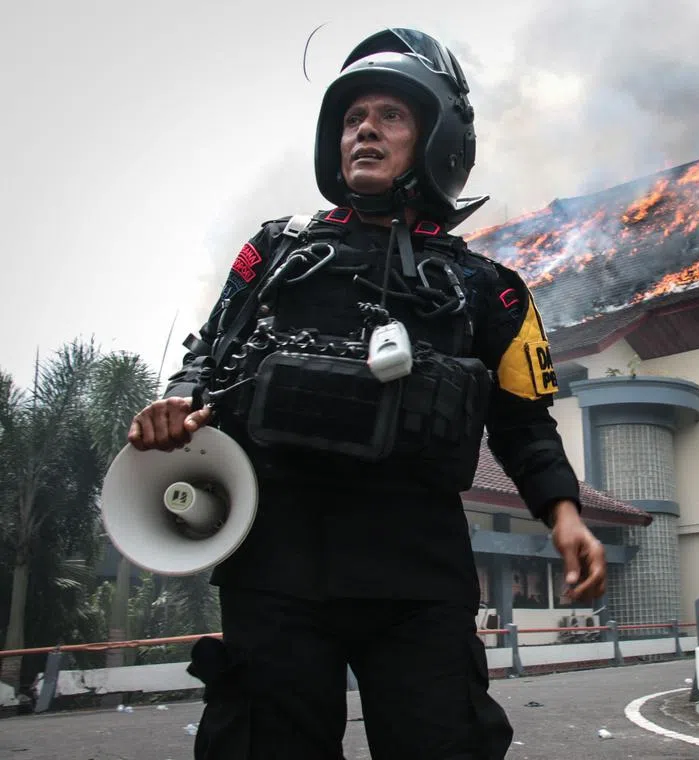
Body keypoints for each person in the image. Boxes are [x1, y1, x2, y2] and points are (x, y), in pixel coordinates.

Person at [126, 28, 606, 760]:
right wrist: (175, 406)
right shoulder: (272, 250)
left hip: (417, 578)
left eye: (390, 115)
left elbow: (523, 424)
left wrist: (564, 514)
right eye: (353, 119)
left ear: (436, 139)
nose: (366, 131)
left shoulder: (492, 290)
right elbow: (206, 360)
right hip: (276, 567)